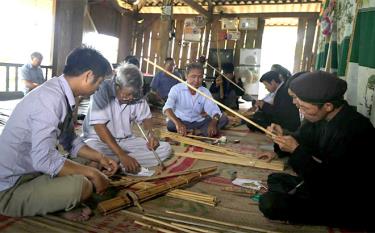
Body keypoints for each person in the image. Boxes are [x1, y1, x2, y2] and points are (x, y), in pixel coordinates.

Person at [0, 47, 118, 221]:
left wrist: (100, 157)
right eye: (99, 83)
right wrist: (92, 174)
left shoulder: (60, 92)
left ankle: (56, 200)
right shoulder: (51, 100)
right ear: (88, 76)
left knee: (92, 161)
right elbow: (44, 159)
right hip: (10, 187)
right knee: (83, 185)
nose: (98, 88)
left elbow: (69, 140)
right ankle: (58, 204)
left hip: (33, 172)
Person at [258, 71, 375, 229]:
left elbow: (328, 184)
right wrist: (282, 136)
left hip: (343, 201)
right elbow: (304, 139)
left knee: (269, 203)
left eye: (304, 107)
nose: (300, 109)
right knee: (275, 178)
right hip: (322, 184)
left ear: (328, 105)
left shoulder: (353, 130)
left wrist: (296, 151)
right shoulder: (323, 117)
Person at [82, 63, 171, 174]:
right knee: (89, 147)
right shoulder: (101, 89)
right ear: (116, 85)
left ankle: (112, 162)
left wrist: (150, 134)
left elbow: (146, 118)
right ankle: (120, 160)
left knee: (165, 149)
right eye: (126, 94)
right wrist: (122, 155)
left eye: (133, 95)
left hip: (125, 141)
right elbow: (99, 127)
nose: (130, 98)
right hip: (99, 141)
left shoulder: (136, 95)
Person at [164, 62, 228, 137]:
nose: (197, 80)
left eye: (200, 77)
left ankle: (194, 131)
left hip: (199, 122)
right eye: (193, 77)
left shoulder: (205, 91)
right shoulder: (176, 89)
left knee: (223, 119)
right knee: (170, 124)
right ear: (186, 76)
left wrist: (213, 123)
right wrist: (178, 123)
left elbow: (214, 110)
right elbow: (167, 108)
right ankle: (199, 132)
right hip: (181, 121)